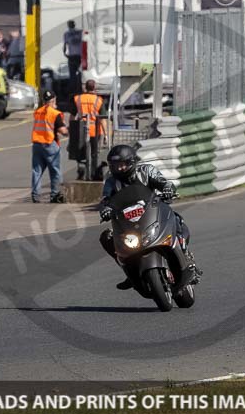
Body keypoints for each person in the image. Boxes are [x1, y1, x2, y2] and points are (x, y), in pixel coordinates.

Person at [99, 144, 202, 290]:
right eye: (114, 166)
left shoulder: (146, 170)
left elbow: (163, 182)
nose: (118, 169)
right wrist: (105, 209)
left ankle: (185, 257)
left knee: (176, 219)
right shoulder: (110, 181)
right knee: (107, 237)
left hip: (152, 212)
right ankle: (129, 272)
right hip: (128, 221)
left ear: (131, 162)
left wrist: (167, 189)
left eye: (121, 165)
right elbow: (105, 199)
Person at [31, 90, 68, 204]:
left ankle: (35, 195)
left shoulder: (38, 112)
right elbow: (62, 130)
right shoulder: (55, 113)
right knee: (55, 171)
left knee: (37, 171)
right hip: (49, 144)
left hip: (37, 145)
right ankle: (55, 194)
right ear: (53, 100)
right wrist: (69, 131)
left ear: (43, 100)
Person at [71, 80, 107, 181]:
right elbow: (102, 119)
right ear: (94, 88)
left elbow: (72, 117)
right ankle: (94, 173)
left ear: (85, 88)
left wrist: (72, 131)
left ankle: (81, 169)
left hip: (81, 129)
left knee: (80, 151)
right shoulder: (99, 100)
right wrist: (106, 135)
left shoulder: (78, 99)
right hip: (95, 130)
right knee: (94, 153)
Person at [63, 20, 82, 94]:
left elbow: (65, 45)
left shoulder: (67, 34)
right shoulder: (80, 32)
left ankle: (74, 90)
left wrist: (65, 54)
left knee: (72, 75)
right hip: (79, 55)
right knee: (80, 74)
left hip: (72, 56)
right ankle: (79, 89)